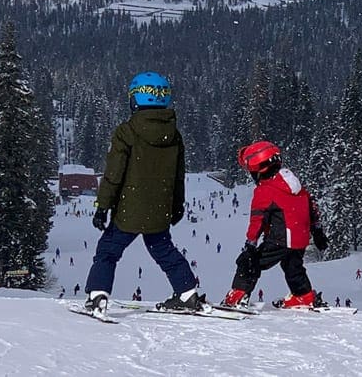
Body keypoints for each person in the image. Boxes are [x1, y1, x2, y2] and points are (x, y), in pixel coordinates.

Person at [82, 72, 202, 318]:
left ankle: (98, 295)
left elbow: (114, 173)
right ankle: (187, 292)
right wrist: (177, 206)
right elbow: (178, 176)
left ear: (135, 99)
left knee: (108, 251)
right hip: (159, 210)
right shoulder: (174, 135)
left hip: (129, 209)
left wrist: (102, 206)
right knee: (163, 249)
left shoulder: (127, 132)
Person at [220, 141, 329, 310]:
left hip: (281, 239)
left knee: (249, 262)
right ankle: (303, 296)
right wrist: (317, 232)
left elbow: (258, 219)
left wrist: (250, 244)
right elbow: (311, 208)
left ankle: (238, 296)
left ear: (258, 169)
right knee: (292, 265)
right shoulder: (296, 186)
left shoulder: (265, 190)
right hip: (300, 239)